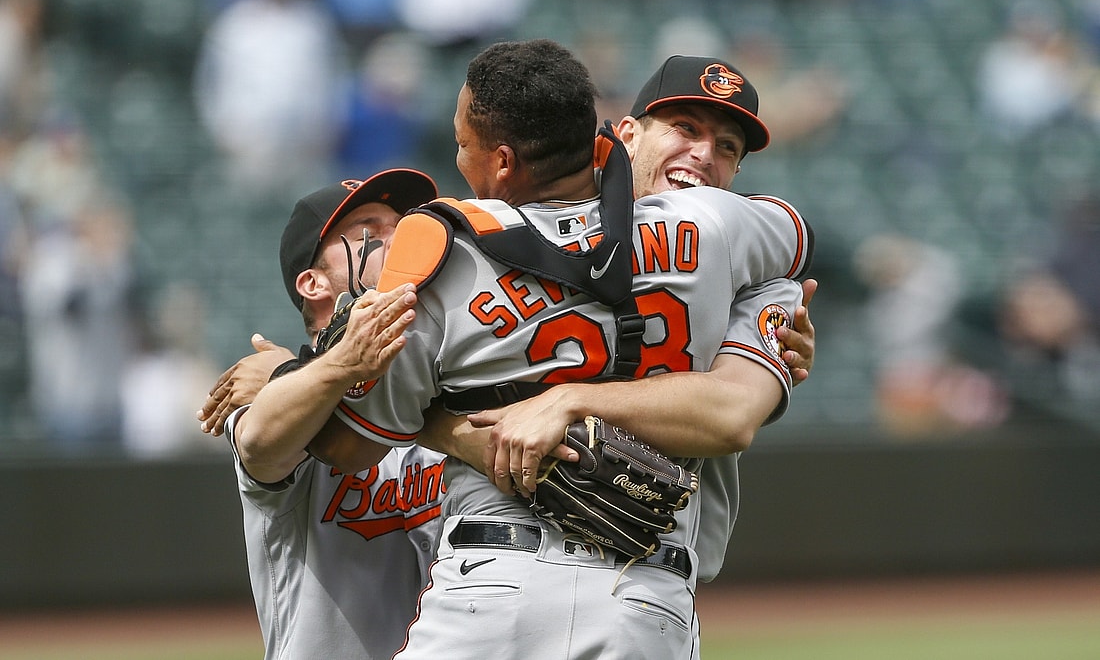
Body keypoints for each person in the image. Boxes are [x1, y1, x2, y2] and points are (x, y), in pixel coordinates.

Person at [247, 39, 812, 659]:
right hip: (637, 594)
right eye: (683, 128)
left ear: (505, 160)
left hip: (494, 589)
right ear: (619, 135)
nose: (702, 155)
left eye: (726, 148)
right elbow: (792, 234)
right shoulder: (721, 229)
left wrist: (548, 404)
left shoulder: (449, 259)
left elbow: (347, 444)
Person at [210, 169, 448, 660]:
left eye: (402, 222)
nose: (398, 234)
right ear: (313, 282)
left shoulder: (448, 386)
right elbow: (261, 444)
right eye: (369, 228)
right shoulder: (271, 399)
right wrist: (316, 369)